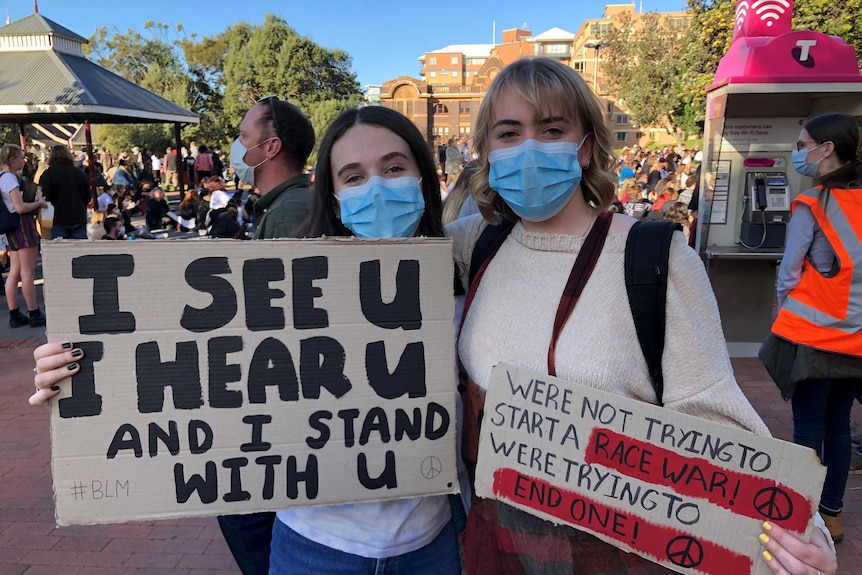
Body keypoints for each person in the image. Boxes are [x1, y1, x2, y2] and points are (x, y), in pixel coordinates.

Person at [446, 57, 837, 575]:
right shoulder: (474, 245)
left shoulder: (654, 258)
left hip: (612, 555)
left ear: (585, 147)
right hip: (495, 548)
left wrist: (790, 528)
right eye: (509, 132)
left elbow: (713, 415)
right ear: (488, 152)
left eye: (552, 129)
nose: (529, 148)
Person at [275, 104, 457, 575]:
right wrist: (64, 371)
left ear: (422, 178)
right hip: (312, 547)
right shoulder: (283, 289)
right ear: (334, 199)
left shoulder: (464, 277)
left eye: (394, 168)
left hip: (432, 546)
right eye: (353, 177)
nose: (376, 187)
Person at [759, 112, 862, 545]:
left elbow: (789, 273)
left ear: (827, 150)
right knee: (839, 427)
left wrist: (784, 316)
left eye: (803, 145)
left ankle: (801, 516)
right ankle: (832, 515)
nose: (798, 152)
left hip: (811, 337)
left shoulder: (812, 204)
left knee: (807, 432)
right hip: (856, 338)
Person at [2, 144, 48, 328]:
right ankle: (33, 311)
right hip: (22, 224)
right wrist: (38, 203)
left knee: (14, 271)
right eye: (20, 157)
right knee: (27, 272)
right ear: (12, 159)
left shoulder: (2, 178)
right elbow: (20, 207)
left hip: (11, 227)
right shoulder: (10, 179)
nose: (23, 160)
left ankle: (14, 313)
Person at [39, 145, 90, 239]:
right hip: (78, 216)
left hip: (57, 217)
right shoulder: (79, 173)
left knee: (60, 250)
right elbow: (87, 195)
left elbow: (45, 196)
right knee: (80, 250)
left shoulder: (48, 174)